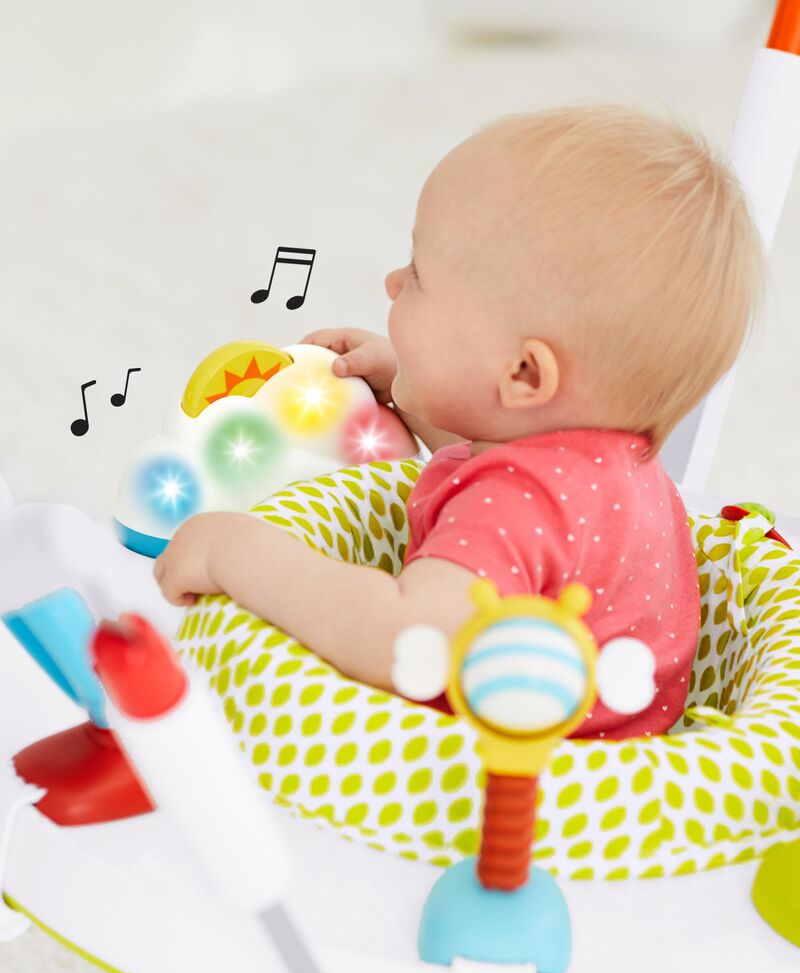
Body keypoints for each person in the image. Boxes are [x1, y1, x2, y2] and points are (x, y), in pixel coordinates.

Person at [155, 103, 765, 738]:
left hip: (496, 783)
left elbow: (405, 643)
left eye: (420, 275)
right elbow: (499, 467)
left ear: (523, 374)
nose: (393, 282)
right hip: (617, 764)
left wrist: (240, 553)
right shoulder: (618, 468)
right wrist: (410, 386)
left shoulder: (515, 505)